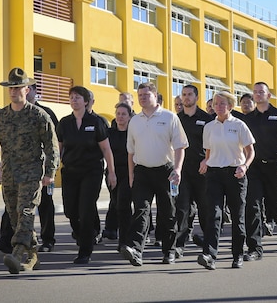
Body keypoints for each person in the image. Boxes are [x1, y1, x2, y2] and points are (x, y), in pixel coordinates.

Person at [0, 67, 59, 274]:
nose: (13, 92)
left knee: (26, 211)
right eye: (10, 88)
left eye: (18, 88)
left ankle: (18, 252)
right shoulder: (0, 117)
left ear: (27, 89)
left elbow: (51, 145)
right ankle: (33, 254)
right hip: (9, 173)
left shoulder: (39, 116)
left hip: (31, 173)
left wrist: (50, 172)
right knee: (14, 215)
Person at [120, 82, 188, 266]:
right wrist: (131, 174)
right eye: (140, 95)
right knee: (141, 210)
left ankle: (169, 251)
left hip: (165, 171)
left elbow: (180, 146)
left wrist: (178, 169)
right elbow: (131, 152)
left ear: (155, 95)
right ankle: (135, 249)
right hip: (142, 171)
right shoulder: (134, 121)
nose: (142, 97)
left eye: (146, 94)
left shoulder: (169, 117)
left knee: (168, 213)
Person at [0, 82, 60, 254]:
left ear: (31, 91)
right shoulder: (9, 115)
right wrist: (1, 168)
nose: (17, 91)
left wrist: (50, 170)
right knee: (14, 208)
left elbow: (54, 143)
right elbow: (6, 145)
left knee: (45, 205)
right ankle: (9, 240)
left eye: (26, 88)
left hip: (39, 170)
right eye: (13, 88)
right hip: (15, 171)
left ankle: (47, 239)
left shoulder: (44, 114)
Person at [57, 86, 117, 264]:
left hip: (91, 171)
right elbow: (59, 148)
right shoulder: (64, 123)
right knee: (70, 210)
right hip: (70, 171)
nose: (74, 100)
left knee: (85, 208)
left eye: (78, 98)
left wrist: (112, 173)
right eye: (72, 97)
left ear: (85, 101)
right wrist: (50, 171)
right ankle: (81, 233)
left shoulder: (96, 122)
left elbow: (106, 149)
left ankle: (85, 250)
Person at [197, 91, 255, 270]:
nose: (219, 106)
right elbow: (208, 152)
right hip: (214, 174)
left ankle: (237, 255)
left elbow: (250, 152)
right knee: (213, 214)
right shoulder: (209, 127)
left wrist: (244, 167)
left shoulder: (239, 125)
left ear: (230, 106)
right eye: (216, 103)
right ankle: (209, 255)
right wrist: (205, 162)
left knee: (238, 216)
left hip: (235, 174)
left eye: (223, 103)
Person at [243, 82, 277, 260]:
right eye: (255, 92)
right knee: (253, 207)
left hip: (276, 166)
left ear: (269, 95)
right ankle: (255, 248)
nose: (258, 95)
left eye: (262, 92)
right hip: (254, 168)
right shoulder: (249, 118)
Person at [175, 85, 214, 258]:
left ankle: (209, 243)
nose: (186, 98)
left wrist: (207, 160)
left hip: (202, 170)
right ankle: (179, 244)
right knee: (182, 208)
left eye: (189, 94)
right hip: (182, 171)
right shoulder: (176, 119)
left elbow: (214, 144)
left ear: (197, 97)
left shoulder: (207, 119)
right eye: (184, 95)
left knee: (205, 208)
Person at [109, 102, 134, 251]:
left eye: (124, 114)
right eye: (118, 114)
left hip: (128, 172)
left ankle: (124, 241)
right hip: (113, 172)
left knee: (123, 205)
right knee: (117, 204)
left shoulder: (133, 134)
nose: (120, 117)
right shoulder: (109, 133)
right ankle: (124, 235)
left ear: (130, 117)